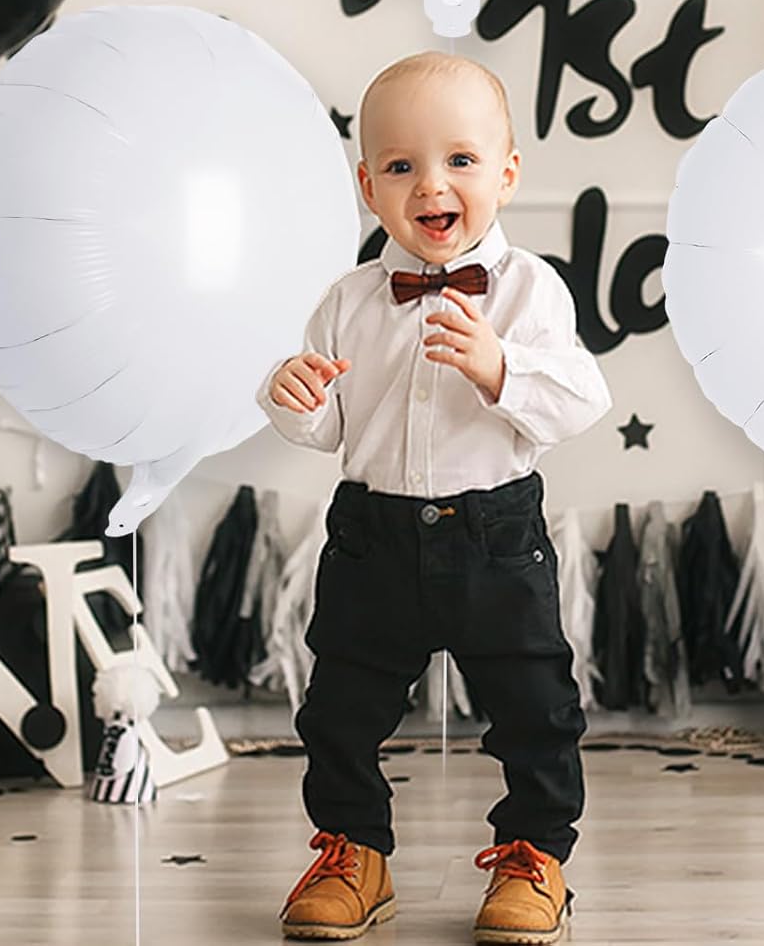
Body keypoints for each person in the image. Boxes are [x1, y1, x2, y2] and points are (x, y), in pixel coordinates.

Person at [257, 51, 612, 944]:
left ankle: (534, 855)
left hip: (496, 534)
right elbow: (328, 429)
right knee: (340, 708)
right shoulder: (347, 301)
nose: (432, 184)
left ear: (507, 173)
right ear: (369, 187)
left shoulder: (529, 289)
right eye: (402, 165)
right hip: (372, 537)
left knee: (536, 708)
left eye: (460, 160)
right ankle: (354, 851)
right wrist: (294, 397)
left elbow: (582, 400)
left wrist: (502, 368)